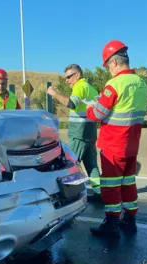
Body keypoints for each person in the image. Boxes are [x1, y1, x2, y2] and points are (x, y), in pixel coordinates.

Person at [85, 41, 147, 237]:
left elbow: (97, 114)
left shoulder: (114, 84)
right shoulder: (141, 83)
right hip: (132, 144)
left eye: (107, 66)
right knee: (128, 182)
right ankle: (130, 220)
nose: (108, 71)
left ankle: (111, 224)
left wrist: (90, 107)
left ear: (113, 62)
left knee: (111, 185)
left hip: (114, 144)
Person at [47, 64, 101, 197]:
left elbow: (72, 103)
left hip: (79, 134)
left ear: (77, 75)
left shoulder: (80, 87)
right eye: (66, 78)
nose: (67, 81)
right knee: (92, 165)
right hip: (90, 133)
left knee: (69, 163)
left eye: (69, 77)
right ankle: (99, 192)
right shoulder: (91, 88)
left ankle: (71, 194)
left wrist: (54, 93)